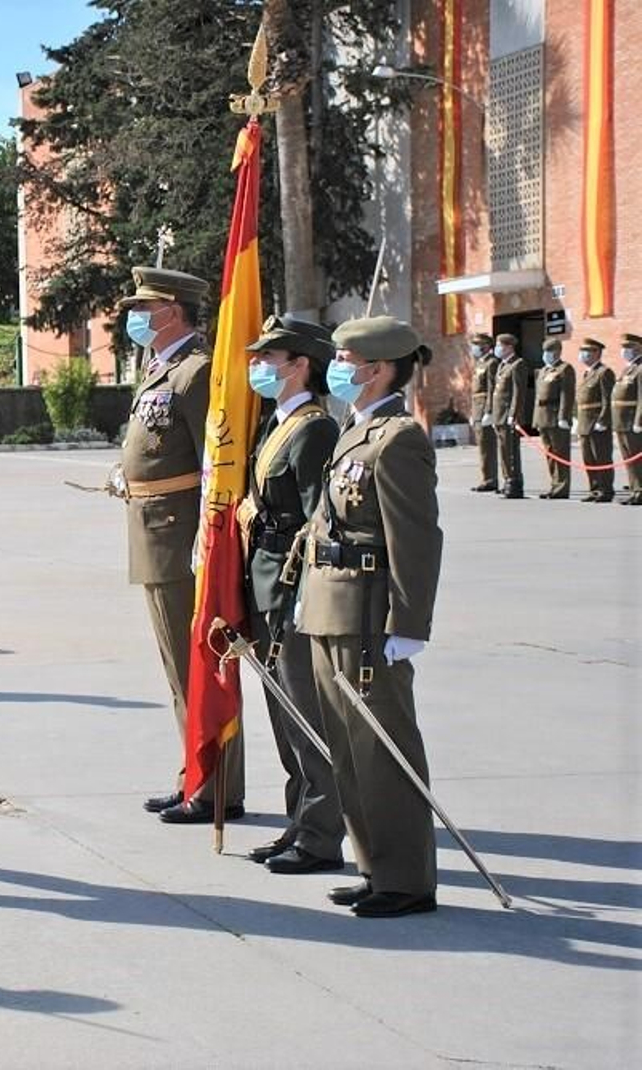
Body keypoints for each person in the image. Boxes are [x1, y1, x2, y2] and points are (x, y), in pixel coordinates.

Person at [298, 316, 443, 919]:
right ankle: (374, 865)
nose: (336, 367)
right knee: (348, 748)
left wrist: (408, 624)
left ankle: (406, 878)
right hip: (332, 603)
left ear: (378, 369)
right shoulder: (356, 431)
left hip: (368, 614)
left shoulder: (398, 437)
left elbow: (415, 538)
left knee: (384, 748)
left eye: (344, 359)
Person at [108, 266, 244, 824]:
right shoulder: (161, 368)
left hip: (180, 533)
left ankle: (215, 789)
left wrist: (209, 539)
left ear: (175, 312)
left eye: (145, 308)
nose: (136, 318)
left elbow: (219, 462)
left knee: (198, 668)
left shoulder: (196, 371)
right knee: (176, 667)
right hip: (151, 528)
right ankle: (194, 774)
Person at [238, 316, 343, 874]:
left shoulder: (315, 429)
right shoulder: (277, 422)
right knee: (283, 715)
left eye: (267, 358)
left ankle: (323, 836)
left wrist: (304, 595)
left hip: (290, 588)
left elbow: (317, 521)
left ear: (300, 364)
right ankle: (299, 822)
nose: (257, 366)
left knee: (308, 716)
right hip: (263, 580)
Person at [532, 339, 576, 500]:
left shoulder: (565, 369)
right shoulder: (544, 370)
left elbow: (567, 394)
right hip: (543, 416)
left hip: (556, 416)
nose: (546, 355)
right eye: (545, 351)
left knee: (560, 453)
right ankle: (554, 484)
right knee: (550, 454)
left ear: (557, 351)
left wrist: (564, 416)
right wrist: (535, 419)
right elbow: (538, 397)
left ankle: (562, 487)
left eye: (549, 351)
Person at [575, 339, 616, 503]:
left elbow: (608, 399)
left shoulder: (604, 372)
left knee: (601, 458)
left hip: (597, 423)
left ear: (597, 353)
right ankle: (594, 489)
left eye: (588, 351)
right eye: (582, 351)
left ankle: (605, 490)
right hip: (585, 423)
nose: (583, 355)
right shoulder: (587, 373)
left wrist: (603, 420)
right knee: (589, 459)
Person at [487, 333, 526, 499]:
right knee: (503, 450)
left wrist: (513, 414)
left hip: (508, 415)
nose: (497, 348)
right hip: (499, 415)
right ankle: (507, 479)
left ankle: (514, 482)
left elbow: (518, 392)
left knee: (510, 451)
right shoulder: (502, 366)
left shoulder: (518, 364)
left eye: (500, 345)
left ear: (509, 346)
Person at [466, 333, 499, 492]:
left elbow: (492, 389)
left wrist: (489, 411)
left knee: (488, 447)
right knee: (482, 447)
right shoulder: (479, 363)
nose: (474, 348)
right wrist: (474, 413)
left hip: (485, 407)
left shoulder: (492, 363)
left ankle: (490, 479)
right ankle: (487, 477)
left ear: (485, 346)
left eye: (477, 345)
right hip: (478, 408)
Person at [614, 333, 642, 505]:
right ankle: (635, 489)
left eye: (628, 348)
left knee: (635, 458)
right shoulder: (627, 369)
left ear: (638, 348)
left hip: (632, 421)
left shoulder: (640, 369)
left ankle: (639, 492)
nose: (624, 351)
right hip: (621, 421)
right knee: (628, 458)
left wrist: (639, 420)